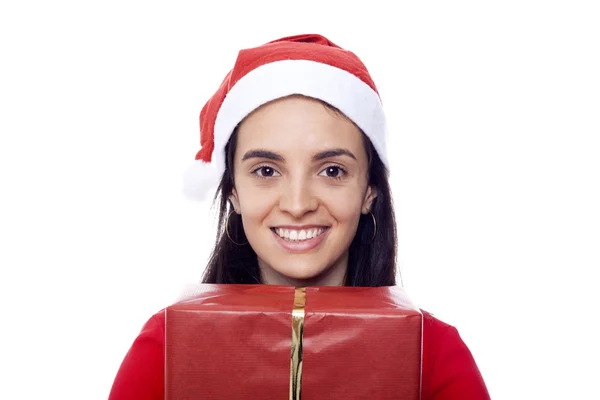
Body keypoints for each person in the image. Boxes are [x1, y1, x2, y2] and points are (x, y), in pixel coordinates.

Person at [108, 34, 491, 399]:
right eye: (266, 171)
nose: (297, 203)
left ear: (369, 192)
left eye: (332, 171)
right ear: (233, 192)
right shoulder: (164, 348)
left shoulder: (434, 355)